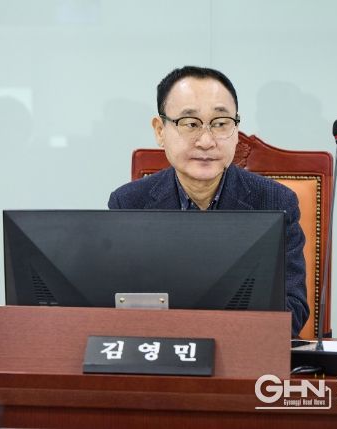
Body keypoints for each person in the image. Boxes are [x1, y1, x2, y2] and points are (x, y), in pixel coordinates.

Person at [108, 66, 309, 336]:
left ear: (236, 130)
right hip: (162, 352)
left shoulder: (276, 202)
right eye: (190, 124)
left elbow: (293, 309)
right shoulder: (129, 203)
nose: (206, 141)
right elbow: (119, 308)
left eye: (220, 123)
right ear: (160, 131)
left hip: (244, 352)